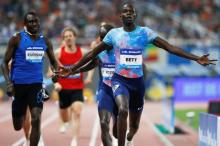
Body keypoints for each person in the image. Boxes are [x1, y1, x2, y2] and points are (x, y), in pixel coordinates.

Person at [60, 3, 217, 146]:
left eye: (131, 12)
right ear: (121, 16)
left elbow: (170, 48)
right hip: (119, 80)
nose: (128, 14)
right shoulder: (114, 34)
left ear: (135, 15)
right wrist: (72, 68)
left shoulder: (145, 33)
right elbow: (92, 53)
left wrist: (196, 58)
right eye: (125, 12)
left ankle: (129, 138)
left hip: (137, 83)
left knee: (134, 126)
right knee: (122, 109)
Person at [1, 11, 58, 146]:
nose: (34, 24)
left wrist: (56, 72)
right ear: (25, 24)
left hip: (36, 84)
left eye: (36, 21)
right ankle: (17, 111)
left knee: (36, 118)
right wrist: (9, 83)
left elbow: (54, 61)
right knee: (18, 125)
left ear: (39, 23)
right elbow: (4, 62)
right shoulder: (17, 38)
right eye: (30, 22)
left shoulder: (45, 40)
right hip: (18, 85)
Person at [73, 23, 118, 146]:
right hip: (105, 90)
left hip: (120, 91)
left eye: (106, 38)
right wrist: (74, 70)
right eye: (101, 38)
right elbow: (91, 63)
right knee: (103, 123)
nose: (104, 41)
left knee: (117, 132)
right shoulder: (100, 51)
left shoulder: (122, 50)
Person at [51, 27, 92, 146]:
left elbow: (92, 62)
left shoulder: (83, 52)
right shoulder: (59, 52)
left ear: (75, 37)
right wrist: (56, 83)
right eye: (66, 36)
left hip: (77, 88)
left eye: (70, 35)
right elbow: (53, 69)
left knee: (77, 112)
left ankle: (74, 140)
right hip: (63, 88)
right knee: (65, 119)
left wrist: (89, 76)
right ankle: (64, 119)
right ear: (63, 39)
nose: (68, 38)